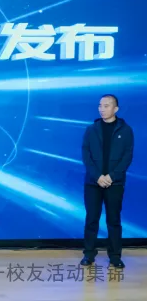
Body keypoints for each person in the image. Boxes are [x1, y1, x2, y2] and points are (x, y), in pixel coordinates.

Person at [81, 94, 133, 269]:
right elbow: (86, 155)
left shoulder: (126, 130)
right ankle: (89, 254)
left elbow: (127, 157)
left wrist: (111, 177)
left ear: (115, 109)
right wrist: (97, 176)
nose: (102, 109)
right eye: (100, 106)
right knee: (91, 219)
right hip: (93, 183)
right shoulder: (91, 129)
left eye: (106, 106)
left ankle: (115, 256)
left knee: (114, 220)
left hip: (114, 183)